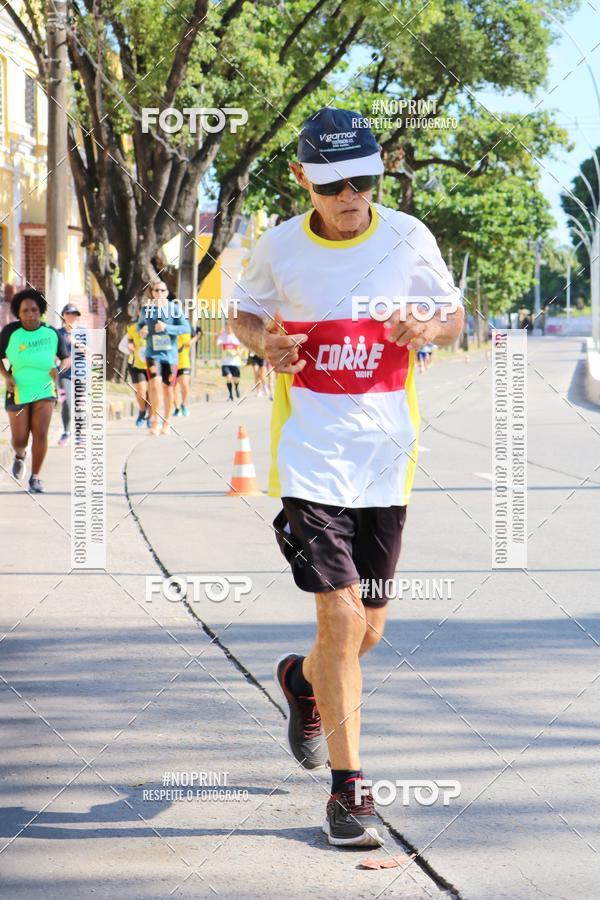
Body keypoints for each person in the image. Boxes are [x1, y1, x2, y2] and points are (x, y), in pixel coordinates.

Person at [232, 107, 464, 847]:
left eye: (363, 180)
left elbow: (451, 317)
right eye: (334, 184)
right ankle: (348, 792)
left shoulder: (407, 238)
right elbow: (243, 314)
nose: (352, 196)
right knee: (340, 617)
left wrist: (425, 330)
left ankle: (302, 682)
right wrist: (263, 341)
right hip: (310, 457)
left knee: (368, 629)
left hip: (385, 460)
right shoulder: (279, 248)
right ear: (301, 178)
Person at [0, 288, 69, 492]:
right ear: (18, 313)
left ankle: (36, 477)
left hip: (45, 388)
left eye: (34, 309)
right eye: (25, 311)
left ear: (41, 310)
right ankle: (20, 455)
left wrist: (59, 370)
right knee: (20, 438)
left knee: (40, 432)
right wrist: (7, 376)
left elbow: (66, 358)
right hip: (18, 388)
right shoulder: (10, 332)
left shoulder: (51, 333)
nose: (30, 314)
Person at [137, 281, 189, 435]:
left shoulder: (174, 309)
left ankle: (166, 422)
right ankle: (154, 420)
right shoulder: (146, 309)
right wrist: (142, 331)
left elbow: (186, 328)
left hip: (170, 356)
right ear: (152, 292)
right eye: (156, 290)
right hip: (152, 354)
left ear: (167, 293)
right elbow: (140, 326)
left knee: (168, 389)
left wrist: (168, 328)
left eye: (162, 290)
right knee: (154, 383)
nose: (159, 293)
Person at [56, 303, 81, 445]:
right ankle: (66, 432)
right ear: (63, 315)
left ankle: (79, 433)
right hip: (64, 374)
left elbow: (92, 353)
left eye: (74, 314)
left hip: (81, 373)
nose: (71, 317)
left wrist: (76, 343)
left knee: (80, 404)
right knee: (67, 402)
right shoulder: (58, 333)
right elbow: (53, 354)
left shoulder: (83, 332)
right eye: (68, 314)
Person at [126, 319, 150, 427]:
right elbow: (129, 340)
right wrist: (130, 345)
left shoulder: (157, 326)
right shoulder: (132, 327)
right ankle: (141, 411)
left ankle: (151, 416)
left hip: (152, 364)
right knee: (141, 390)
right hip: (136, 363)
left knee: (151, 392)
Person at [173, 320, 197, 417]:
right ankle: (177, 408)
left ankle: (184, 404)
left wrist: (191, 341)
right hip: (172, 362)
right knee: (173, 387)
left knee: (184, 384)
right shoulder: (168, 323)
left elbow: (195, 336)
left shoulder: (186, 324)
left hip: (184, 361)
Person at [217, 320, 242, 401]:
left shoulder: (237, 336)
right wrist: (219, 334)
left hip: (235, 362)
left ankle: (236, 387)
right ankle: (230, 395)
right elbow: (217, 344)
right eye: (227, 327)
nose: (228, 328)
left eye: (230, 327)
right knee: (228, 377)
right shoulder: (223, 336)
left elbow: (244, 346)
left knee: (236, 379)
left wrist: (240, 352)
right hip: (226, 362)